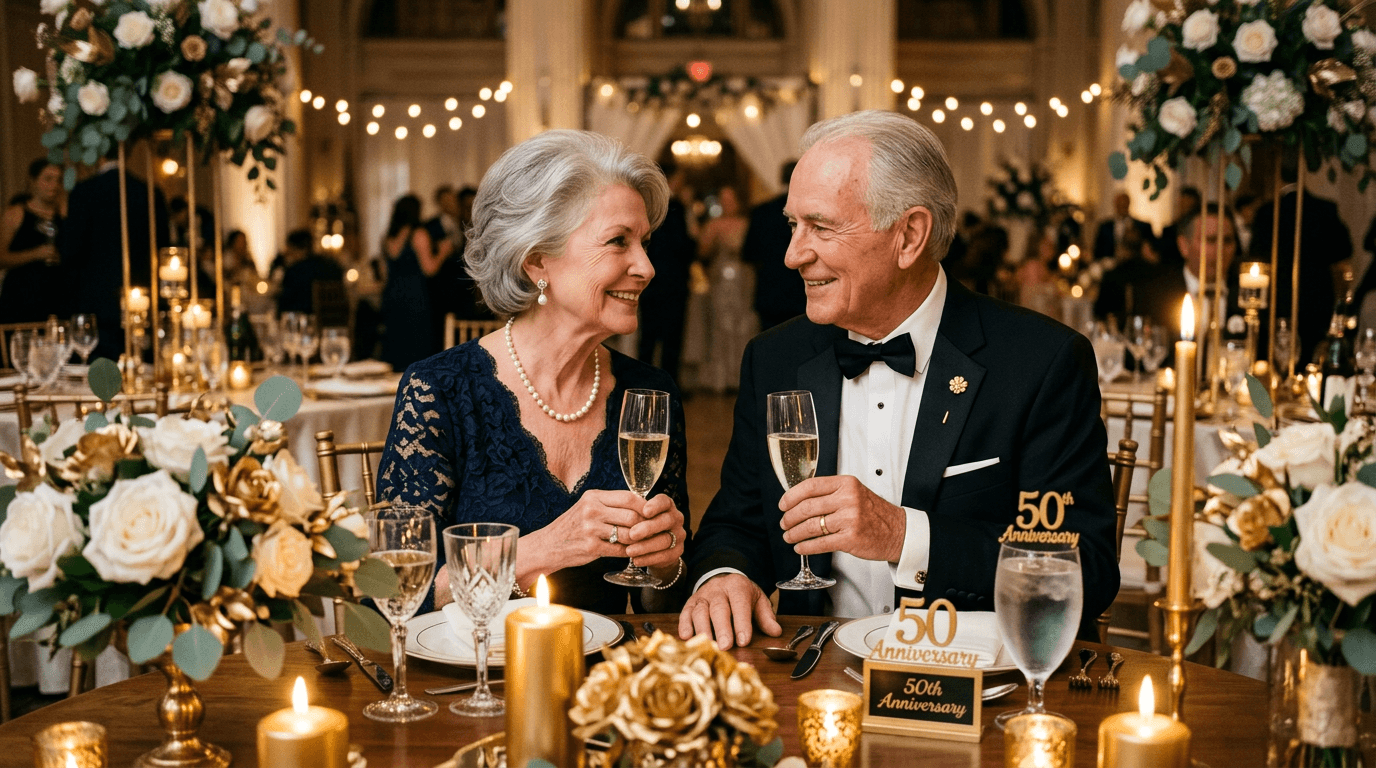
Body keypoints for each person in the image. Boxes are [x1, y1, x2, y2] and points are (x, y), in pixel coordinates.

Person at [679, 111, 1118, 649]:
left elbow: (1084, 570)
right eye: (794, 226)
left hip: (977, 683)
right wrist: (725, 575)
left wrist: (903, 536)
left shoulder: (1040, 364)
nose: (794, 254)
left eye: (821, 226)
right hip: (811, 677)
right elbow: (738, 520)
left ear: (909, 235)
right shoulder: (774, 358)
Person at [374, 130, 689, 614]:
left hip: (606, 682)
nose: (646, 266)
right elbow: (390, 597)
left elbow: (663, 607)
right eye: (618, 242)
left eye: (644, 243)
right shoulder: (440, 389)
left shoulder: (649, 394)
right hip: (474, 679)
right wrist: (543, 549)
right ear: (538, 260)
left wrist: (665, 565)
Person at [60, 150, 169, 361]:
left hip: (96, 302)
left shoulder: (83, 192)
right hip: (142, 299)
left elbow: (71, 251)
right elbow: (162, 247)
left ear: (97, 154)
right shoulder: (149, 192)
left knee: (100, 376)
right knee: (139, 367)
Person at [1250, 179, 1352, 362]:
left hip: (1277, 299)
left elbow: (1256, 256)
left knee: (1278, 354)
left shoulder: (1267, 211)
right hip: (1317, 298)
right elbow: (1344, 250)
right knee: (1311, 355)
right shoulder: (1325, 208)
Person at [637, 162, 695, 383]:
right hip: (673, 283)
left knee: (648, 338)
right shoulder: (677, 206)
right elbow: (684, 246)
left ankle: (642, 382)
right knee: (672, 340)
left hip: (651, 283)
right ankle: (670, 385)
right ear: (672, 179)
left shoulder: (648, 206)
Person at [699, 186, 757, 392]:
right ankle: (720, 378)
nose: (727, 204)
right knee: (721, 326)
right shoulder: (713, 225)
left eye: (730, 199)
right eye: (724, 200)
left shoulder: (748, 223)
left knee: (743, 325)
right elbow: (702, 253)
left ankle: (740, 377)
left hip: (744, 279)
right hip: (721, 279)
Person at [379, 194, 441, 370]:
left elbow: (384, 273)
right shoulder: (418, 234)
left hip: (392, 296)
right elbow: (429, 269)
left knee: (396, 344)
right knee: (417, 345)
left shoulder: (388, 238)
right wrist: (443, 252)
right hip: (414, 297)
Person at [0, 160, 65, 323]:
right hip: (21, 300)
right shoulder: (16, 214)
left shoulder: (64, 216)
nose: (54, 185)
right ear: (33, 181)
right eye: (48, 179)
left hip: (56, 298)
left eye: (58, 180)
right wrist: (35, 254)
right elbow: (1, 257)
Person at [744, 161, 805, 331]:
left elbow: (749, 253)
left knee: (771, 347)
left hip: (769, 293)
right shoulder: (809, 211)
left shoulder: (761, 212)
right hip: (801, 292)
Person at [277, 229, 345, 315]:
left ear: (292, 248)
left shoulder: (294, 271)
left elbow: (285, 304)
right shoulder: (333, 266)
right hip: (336, 318)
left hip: (302, 319)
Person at [1093, 191, 1151, 262]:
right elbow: (1098, 251)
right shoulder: (1104, 227)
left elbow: (1148, 251)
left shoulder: (1142, 226)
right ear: (1115, 205)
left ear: (1129, 204)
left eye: (1124, 205)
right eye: (1119, 205)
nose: (1122, 208)